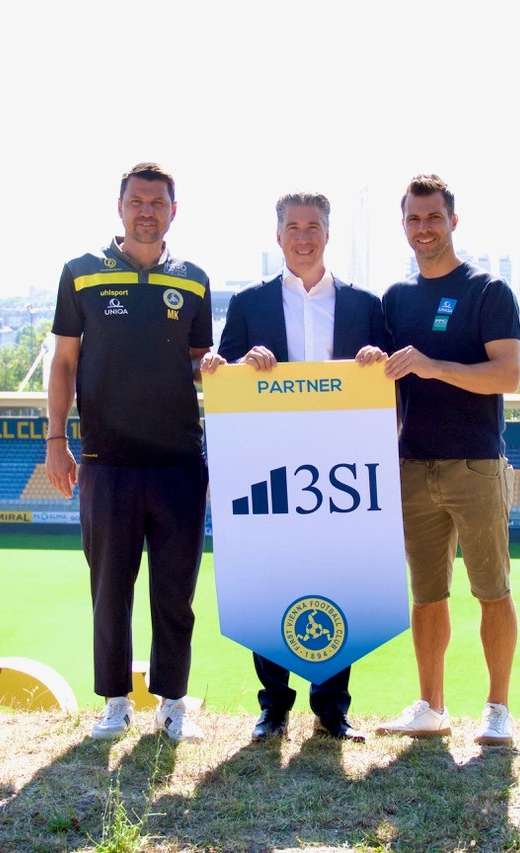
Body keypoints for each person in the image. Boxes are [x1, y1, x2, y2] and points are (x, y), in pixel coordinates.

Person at [201, 191, 388, 743]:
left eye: (313, 226)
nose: (303, 236)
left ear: (327, 234)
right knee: (270, 579)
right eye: (292, 227)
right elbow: (223, 375)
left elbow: (386, 382)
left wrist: (377, 363)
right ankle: (273, 707)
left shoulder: (364, 305)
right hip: (272, 468)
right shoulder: (249, 304)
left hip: (340, 474)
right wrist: (238, 364)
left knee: (337, 579)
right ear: (277, 235)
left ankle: (333, 709)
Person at [46, 162, 212, 742]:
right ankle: (115, 702)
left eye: (157, 203)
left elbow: (195, 361)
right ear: (120, 207)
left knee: (175, 593)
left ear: (174, 209)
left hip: (179, 461)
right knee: (109, 589)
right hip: (106, 459)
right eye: (137, 202)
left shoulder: (193, 279)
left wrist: (211, 364)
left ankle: (173, 704)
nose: (147, 211)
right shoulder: (81, 273)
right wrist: (56, 440)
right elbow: (64, 362)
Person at [373, 174, 520, 746]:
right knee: (426, 595)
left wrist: (434, 366)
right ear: (404, 224)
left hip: (476, 464)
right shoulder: (395, 299)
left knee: (492, 590)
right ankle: (431, 706)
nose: (423, 228)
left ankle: (498, 708)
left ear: (453, 222)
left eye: (433, 218)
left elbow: (507, 374)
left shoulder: (488, 291)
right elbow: (377, 380)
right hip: (413, 465)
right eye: (413, 219)